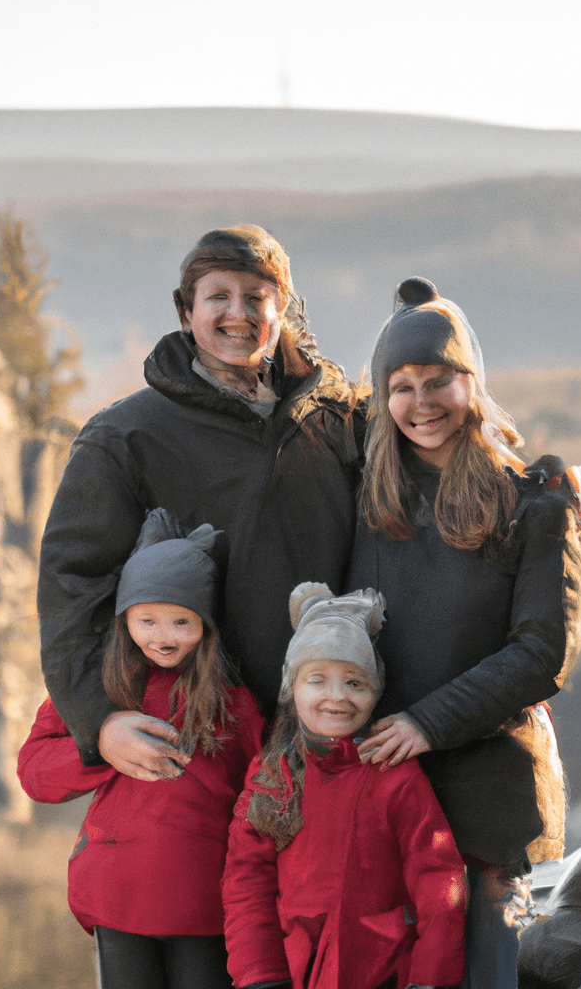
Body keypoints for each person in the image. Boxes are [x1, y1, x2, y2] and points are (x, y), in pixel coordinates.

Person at [36, 225, 363, 778]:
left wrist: (536, 491)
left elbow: (428, 462)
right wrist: (101, 720)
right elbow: (72, 583)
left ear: (281, 308)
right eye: (218, 297)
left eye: (257, 297)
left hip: (331, 730)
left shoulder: (334, 418)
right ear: (186, 311)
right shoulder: (125, 437)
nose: (239, 313)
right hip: (197, 739)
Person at [346, 277, 581, 989]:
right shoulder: (366, 499)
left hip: (494, 805)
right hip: (388, 798)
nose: (421, 403)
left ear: (471, 384)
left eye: (439, 380)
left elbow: (544, 654)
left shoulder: (533, 505)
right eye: (401, 385)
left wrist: (429, 722)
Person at [18, 509, 263, 989]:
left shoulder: (233, 702)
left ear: (206, 625)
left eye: (181, 622)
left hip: (204, 901)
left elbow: (257, 793)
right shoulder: (95, 691)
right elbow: (34, 772)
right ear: (124, 617)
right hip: (117, 896)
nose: (162, 637)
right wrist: (99, 747)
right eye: (146, 620)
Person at [221, 582, 467, 989]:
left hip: (381, 969)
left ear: (375, 692)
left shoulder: (394, 773)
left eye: (355, 683)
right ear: (291, 689)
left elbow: (439, 877)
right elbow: (246, 879)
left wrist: (431, 979)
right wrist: (260, 975)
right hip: (293, 969)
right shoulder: (272, 773)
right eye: (317, 680)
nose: (337, 697)